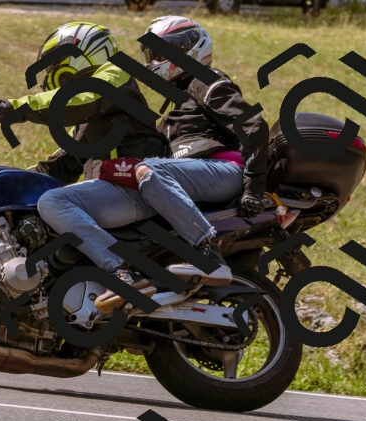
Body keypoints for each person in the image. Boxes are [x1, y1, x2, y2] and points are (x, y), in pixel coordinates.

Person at [36, 16, 271, 314]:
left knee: (148, 168)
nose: (156, 62)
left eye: (163, 53)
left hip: (224, 171)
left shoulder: (206, 80)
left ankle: (207, 251)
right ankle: (126, 276)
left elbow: (253, 126)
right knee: (129, 175)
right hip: (189, 180)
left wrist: (254, 186)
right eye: (153, 55)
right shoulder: (176, 108)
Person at [0, 21, 169, 186]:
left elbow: (82, 98)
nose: (52, 74)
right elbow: (57, 167)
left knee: (55, 203)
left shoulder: (116, 75)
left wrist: (8, 109)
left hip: (135, 189)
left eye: (55, 63)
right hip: (108, 196)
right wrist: (0, 183)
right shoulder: (88, 121)